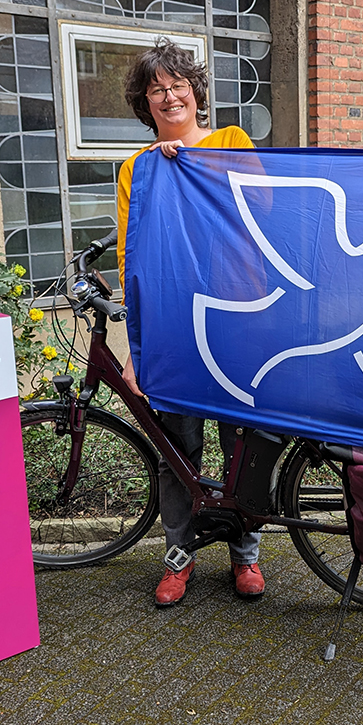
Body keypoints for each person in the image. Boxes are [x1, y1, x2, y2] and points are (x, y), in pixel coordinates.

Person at [115, 39, 262, 607]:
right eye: (157, 90)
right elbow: (133, 260)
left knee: (241, 446)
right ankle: (180, 556)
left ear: (196, 93)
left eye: (178, 85)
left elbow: (264, 209)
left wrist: (196, 170)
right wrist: (138, 344)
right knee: (178, 446)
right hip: (176, 326)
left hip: (239, 319)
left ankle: (245, 555)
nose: (169, 96)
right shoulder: (138, 168)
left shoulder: (230, 142)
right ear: (145, 104)